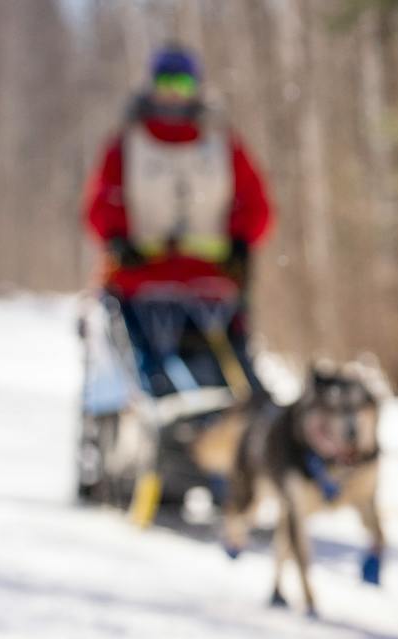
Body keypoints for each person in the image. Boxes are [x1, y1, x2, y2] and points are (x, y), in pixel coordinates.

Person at [81, 44, 273, 398]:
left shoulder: (222, 143)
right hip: (138, 283)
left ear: (196, 87)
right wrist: (118, 238)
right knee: (141, 383)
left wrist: (241, 240)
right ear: (151, 86)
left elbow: (254, 202)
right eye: (165, 82)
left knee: (234, 387)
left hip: (211, 284)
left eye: (182, 84)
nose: (172, 93)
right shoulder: (126, 144)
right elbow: (101, 202)